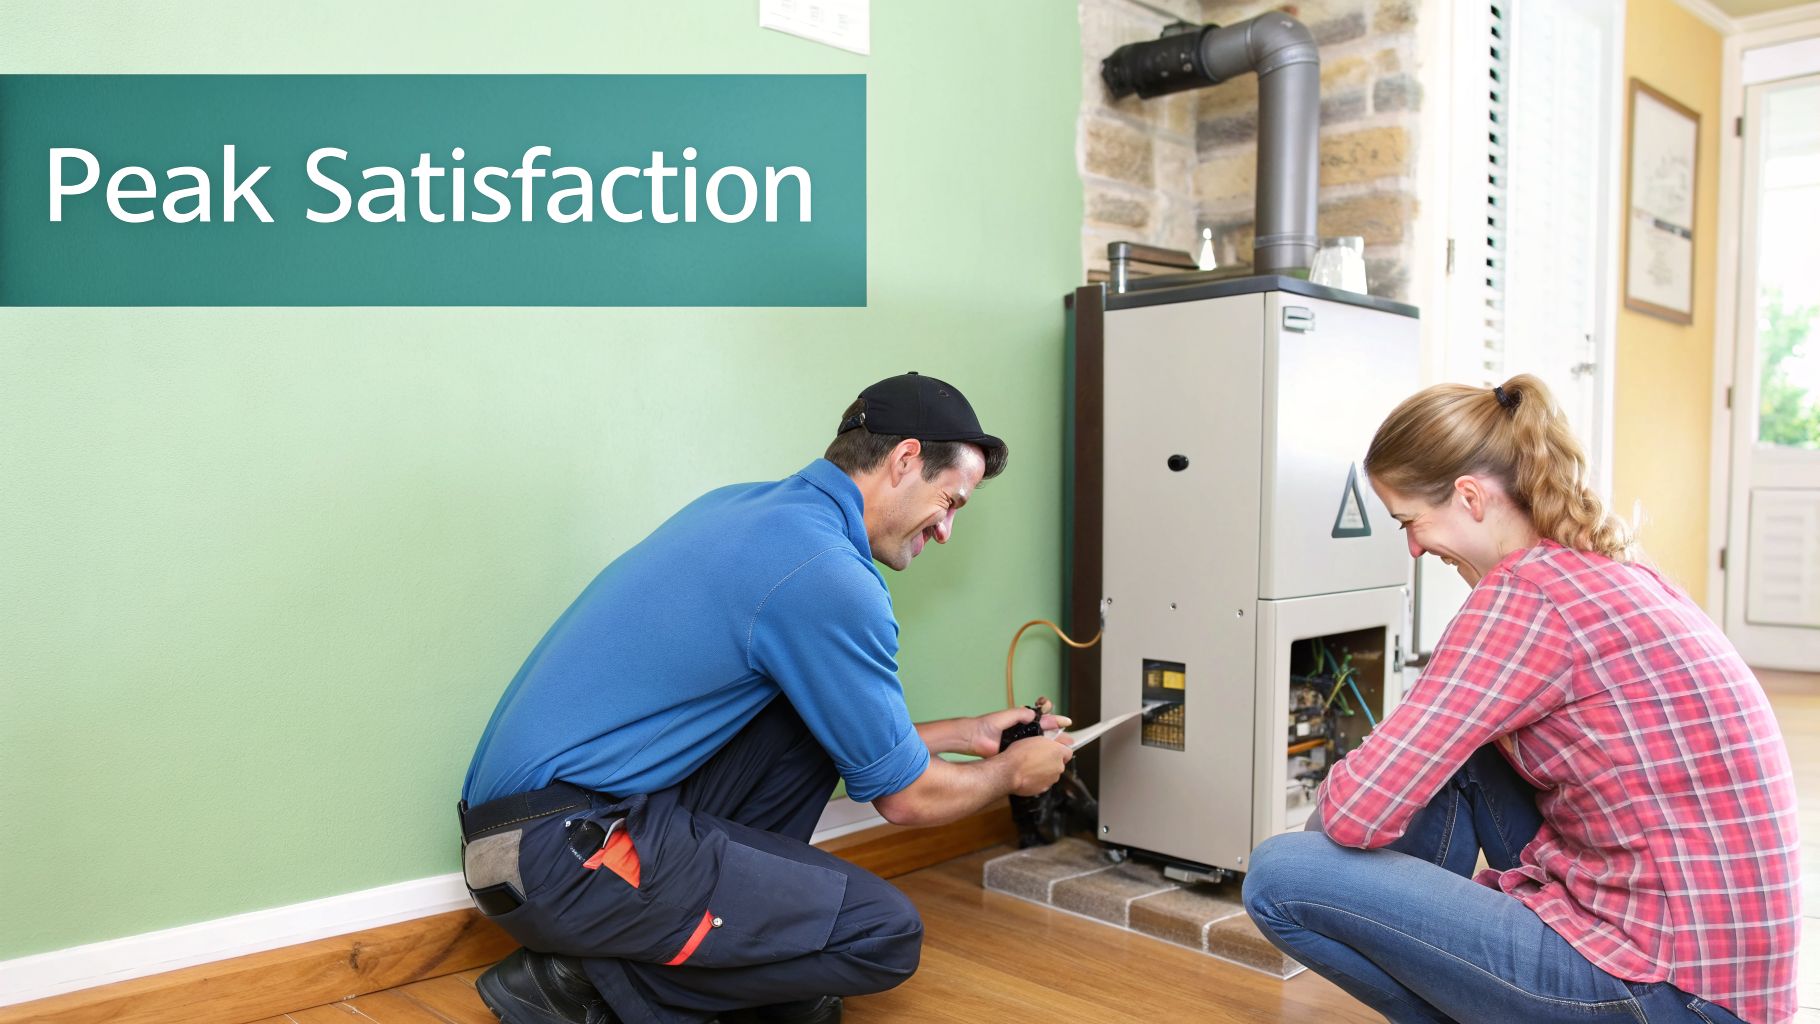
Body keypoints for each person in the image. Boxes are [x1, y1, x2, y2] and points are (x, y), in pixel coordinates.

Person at [457, 371, 1075, 1024]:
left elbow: (859, 741)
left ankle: (708, 957)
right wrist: (1011, 773)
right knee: (884, 936)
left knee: (799, 714)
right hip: (567, 855)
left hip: (525, 842)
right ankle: (579, 985)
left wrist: (966, 734)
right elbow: (908, 798)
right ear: (905, 460)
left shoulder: (749, 510)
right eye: (951, 502)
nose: (946, 530)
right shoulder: (826, 574)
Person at [1242, 374, 1800, 1024]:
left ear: (1470, 497)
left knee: (1282, 873)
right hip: (1723, 982)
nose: (1415, 547)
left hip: (1668, 988)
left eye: (1410, 522)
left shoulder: (1524, 600)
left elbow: (1352, 816)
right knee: (1463, 759)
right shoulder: (1605, 568)